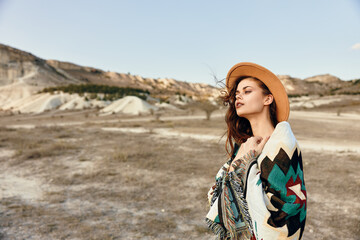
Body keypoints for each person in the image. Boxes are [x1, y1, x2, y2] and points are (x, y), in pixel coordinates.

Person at [205, 62, 307, 240]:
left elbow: (289, 207)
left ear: (268, 99)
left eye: (247, 91)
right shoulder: (244, 145)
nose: (238, 97)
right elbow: (219, 193)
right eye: (237, 93)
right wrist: (243, 161)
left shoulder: (283, 144)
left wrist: (245, 162)